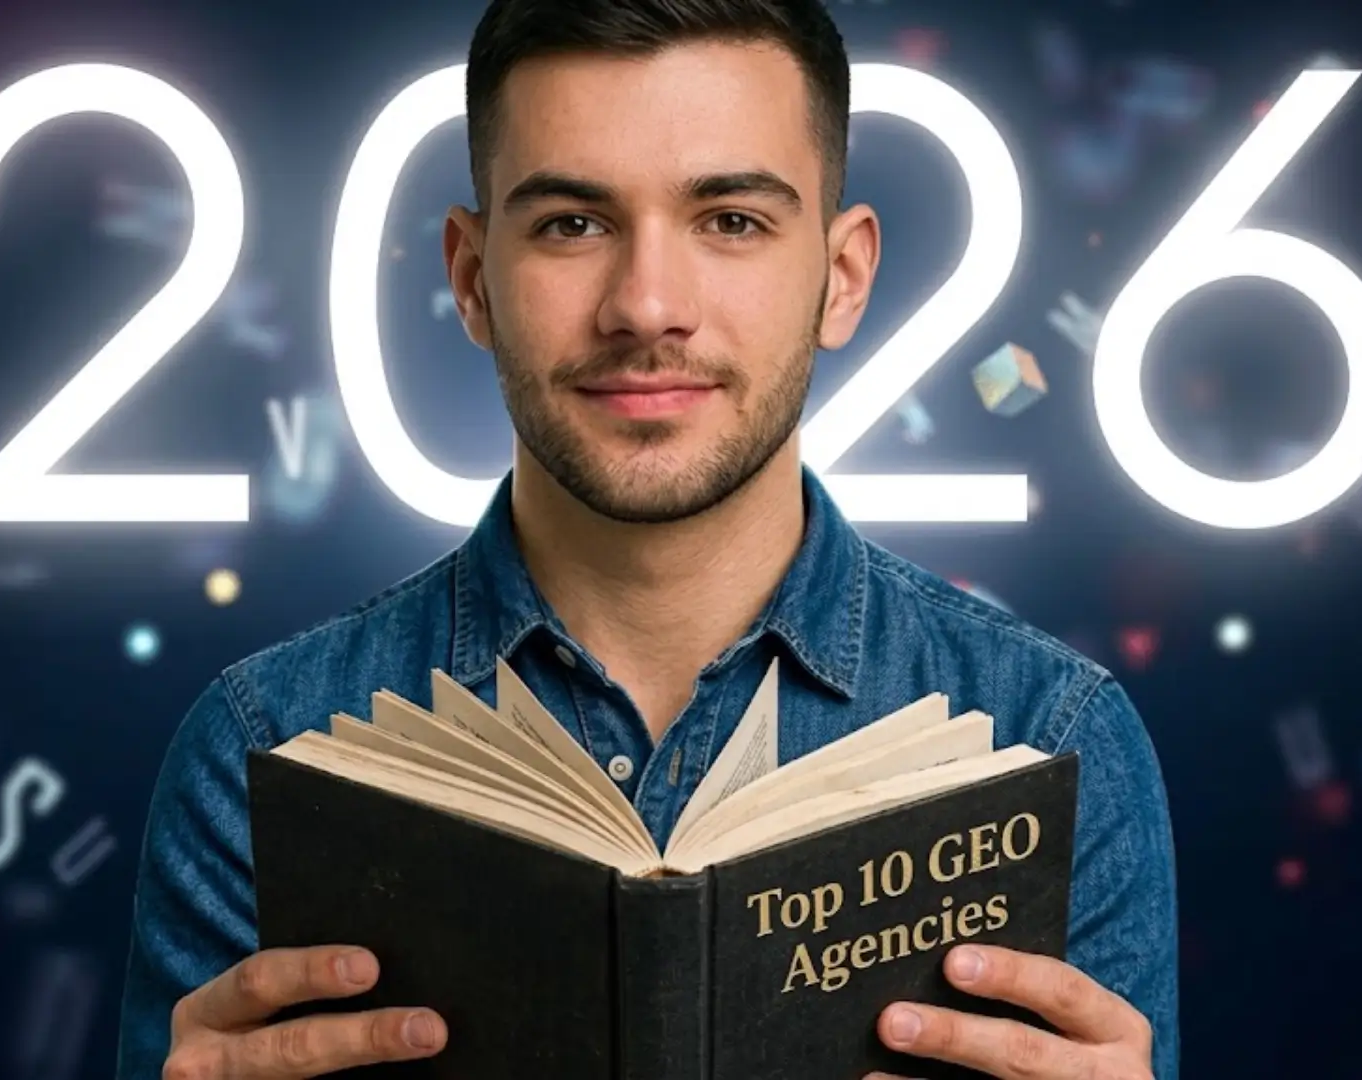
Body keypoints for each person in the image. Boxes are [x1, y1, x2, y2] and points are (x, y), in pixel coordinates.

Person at [118, 0, 1179, 1076]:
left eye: (732, 221)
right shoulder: (264, 747)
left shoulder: (1054, 739)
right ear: (473, 280)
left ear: (844, 277)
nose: (647, 306)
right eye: (572, 225)